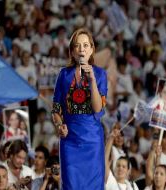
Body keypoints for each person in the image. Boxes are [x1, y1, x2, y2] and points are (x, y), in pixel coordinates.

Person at [51, 27, 107, 189]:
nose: (81, 49)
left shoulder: (100, 74)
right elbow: (56, 109)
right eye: (77, 45)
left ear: (91, 49)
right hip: (70, 141)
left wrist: (92, 81)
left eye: (85, 45)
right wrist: (59, 125)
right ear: (72, 51)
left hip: (93, 141)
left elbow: (97, 109)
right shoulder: (64, 74)